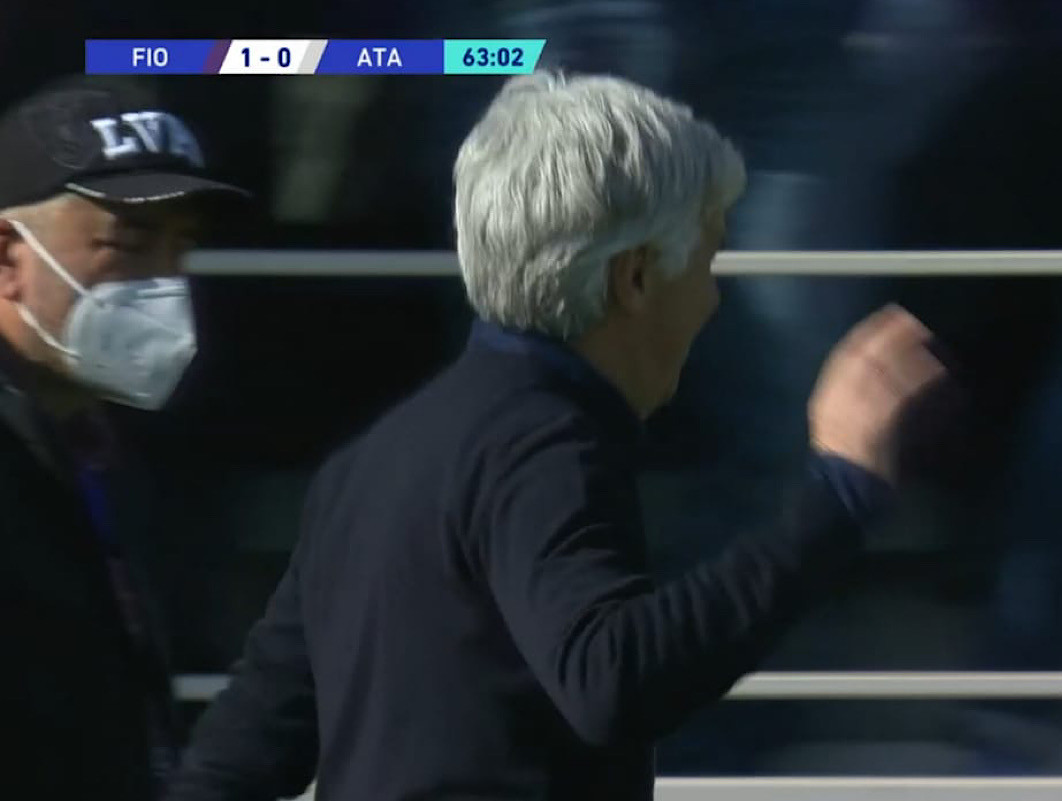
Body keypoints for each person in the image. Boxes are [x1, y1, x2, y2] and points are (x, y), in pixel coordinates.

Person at [167, 71, 945, 801]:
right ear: (635, 278)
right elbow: (612, 676)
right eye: (707, 261)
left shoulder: (371, 461)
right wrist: (836, 498)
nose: (711, 299)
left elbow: (243, 750)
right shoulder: (545, 442)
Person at [0, 76, 246, 800]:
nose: (166, 281)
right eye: (131, 242)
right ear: (9, 258)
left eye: (182, 246)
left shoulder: (95, 456)